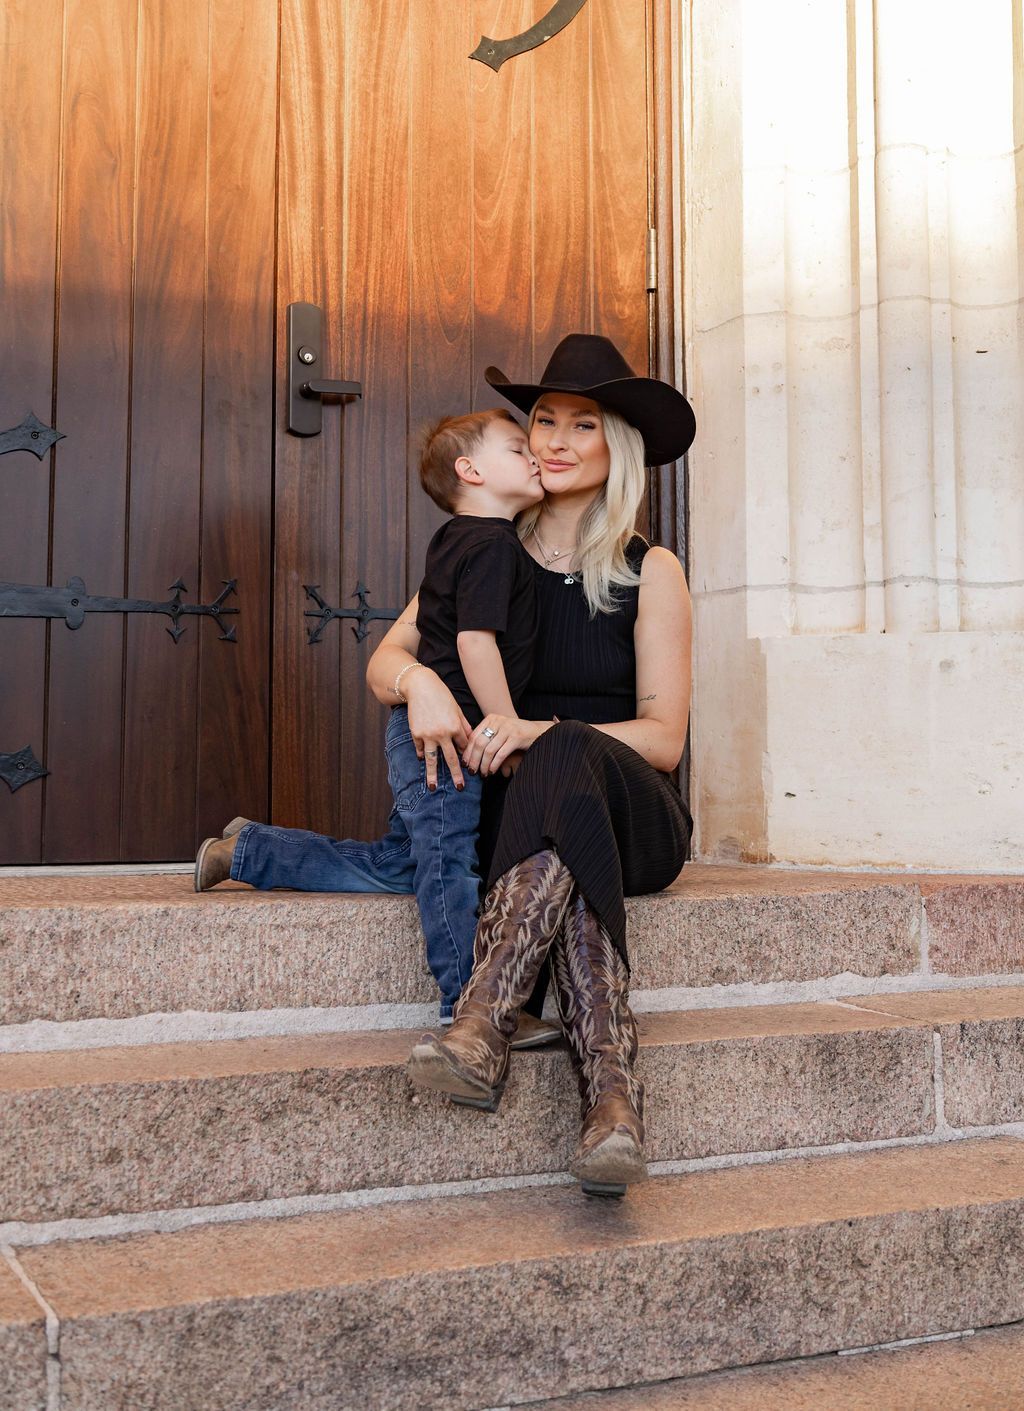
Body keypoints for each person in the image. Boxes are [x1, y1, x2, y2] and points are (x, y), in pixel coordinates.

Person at [373, 334, 696, 1197]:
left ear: (614, 446)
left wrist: (539, 729)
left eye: (581, 425)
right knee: (565, 843)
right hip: (532, 821)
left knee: (565, 751)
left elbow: (664, 738)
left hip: (636, 815)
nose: (553, 439)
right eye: (542, 421)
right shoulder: (485, 546)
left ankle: (485, 1018)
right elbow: (385, 661)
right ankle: (613, 1104)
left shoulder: (650, 569)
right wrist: (420, 684)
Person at [194, 407, 558, 1040]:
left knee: (403, 864)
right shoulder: (493, 545)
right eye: (517, 448)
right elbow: (474, 643)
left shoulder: (455, 539)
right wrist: (506, 725)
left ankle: (248, 849)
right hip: (448, 737)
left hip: (426, 733)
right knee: (447, 864)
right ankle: (471, 1005)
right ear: (470, 471)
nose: (534, 456)